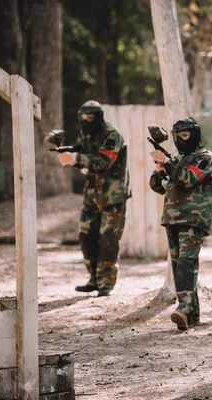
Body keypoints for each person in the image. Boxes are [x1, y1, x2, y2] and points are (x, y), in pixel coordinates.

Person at [149, 118, 212, 331]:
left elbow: (188, 178)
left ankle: (184, 306)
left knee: (186, 264)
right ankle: (192, 315)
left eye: (185, 135)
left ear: (195, 134)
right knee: (178, 264)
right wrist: (160, 167)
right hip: (172, 218)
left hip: (193, 218)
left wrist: (169, 163)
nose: (180, 140)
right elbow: (157, 186)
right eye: (177, 136)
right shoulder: (177, 159)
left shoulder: (204, 158)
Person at [57, 100, 130, 297]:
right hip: (92, 195)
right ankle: (94, 279)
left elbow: (103, 161)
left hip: (112, 196)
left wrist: (74, 159)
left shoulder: (111, 135)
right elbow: (81, 149)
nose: (85, 121)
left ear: (98, 116)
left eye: (89, 118)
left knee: (108, 240)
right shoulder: (86, 134)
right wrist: (66, 150)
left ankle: (106, 283)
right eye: (82, 118)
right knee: (85, 237)